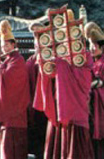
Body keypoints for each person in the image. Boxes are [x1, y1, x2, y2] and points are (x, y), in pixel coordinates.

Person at [33, 9, 94, 159]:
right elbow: (49, 75)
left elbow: (85, 79)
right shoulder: (57, 53)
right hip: (59, 105)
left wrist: (62, 66)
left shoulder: (84, 55)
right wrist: (45, 63)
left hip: (75, 107)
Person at [0, 20, 30, 159]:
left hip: (14, 112)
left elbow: (11, 81)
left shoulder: (18, 60)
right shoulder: (7, 61)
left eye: (7, 44)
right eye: (2, 45)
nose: (4, 47)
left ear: (13, 44)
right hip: (6, 112)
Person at [26, 23, 47, 159]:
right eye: (35, 44)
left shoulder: (50, 60)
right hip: (34, 104)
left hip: (48, 104)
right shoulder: (30, 62)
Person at [85, 22, 104, 159]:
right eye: (90, 45)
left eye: (95, 46)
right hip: (92, 105)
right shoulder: (92, 61)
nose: (92, 49)